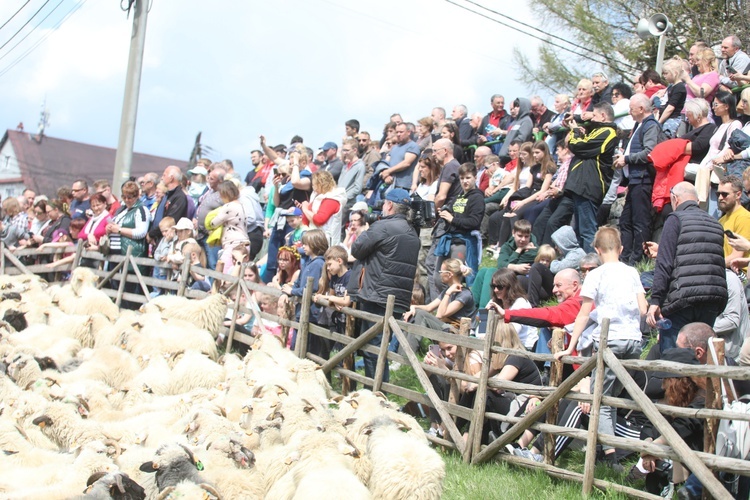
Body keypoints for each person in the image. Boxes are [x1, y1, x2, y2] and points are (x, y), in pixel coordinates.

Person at [556, 226, 647, 471]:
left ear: (596, 250)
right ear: (621, 248)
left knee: (600, 400)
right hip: (633, 341)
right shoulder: (631, 272)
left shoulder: (596, 275)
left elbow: (584, 313)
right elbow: (643, 309)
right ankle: (609, 450)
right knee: (613, 398)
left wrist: (571, 346)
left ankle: (609, 457)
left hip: (610, 341)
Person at [645, 182, 727, 350]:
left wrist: (656, 300)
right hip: (712, 298)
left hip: (682, 299)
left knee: (674, 358)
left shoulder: (675, 219)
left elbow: (664, 262)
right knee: (702, 355)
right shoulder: (716, 224)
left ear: (675, 199)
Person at [351, 188, 420, 385]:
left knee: (372, 348)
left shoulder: (382, 227)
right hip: (399, 297)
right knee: (381, 345)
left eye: (384, 203)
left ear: (389, 205)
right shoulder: (412, 231)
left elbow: (357, 250)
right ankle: (379, 392)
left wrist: (364, 232)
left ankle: (376, 393)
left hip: (376, 295)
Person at [562, 102, 618, 252]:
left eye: (594, 115)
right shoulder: (596, 130)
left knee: (588, 230)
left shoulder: (608, 132)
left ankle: (592, 265)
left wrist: (574, 131)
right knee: (580, 231)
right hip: (580, 186)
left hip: (589, 186)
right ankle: (583, 265)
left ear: (603, 116)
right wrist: (575, 120)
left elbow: (580, 147)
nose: (591, 119)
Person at [614, 93, 662, 265]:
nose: (629, 112)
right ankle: (625, 257)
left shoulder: (650, 126)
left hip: (643, 180)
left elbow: (650, 152)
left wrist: (626, 159)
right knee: (626, 221)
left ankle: (638, 260)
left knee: (640, 222)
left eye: (631, 108)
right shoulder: (640, 125)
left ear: (641, 108)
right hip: (635, 181)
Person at [404, 258, 476, 336]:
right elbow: (429, 307)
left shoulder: (464, 294)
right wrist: (413, 307)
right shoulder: (447, 290)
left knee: (421, 315)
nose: (440, 274)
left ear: (449, 274)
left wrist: (448, 294)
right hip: (447, 327)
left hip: (457, 331)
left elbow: (440, 314)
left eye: (441, 272)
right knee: (413, 315)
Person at [299, 170, 347, 246]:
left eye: (314, 184)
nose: (312, 187)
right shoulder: (316, 196)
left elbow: (319, 220)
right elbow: (306, 220)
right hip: (313, 237)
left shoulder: (332, 199)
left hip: (325, 242)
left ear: (321, 184)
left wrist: (305, 209)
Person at [717, 175, 750, 268]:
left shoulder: (744, 218)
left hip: (738, 274)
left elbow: (736, 256)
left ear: (738, 195)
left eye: (724, 194)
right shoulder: (721, 220)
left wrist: (712, 267)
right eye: (718, 194)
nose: (720, 198)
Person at [380, 122, 420, 190]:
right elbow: (385, 163)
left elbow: (406, 163)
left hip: (404, 186)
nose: (398, 134)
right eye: (397, 132)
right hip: (390, 184)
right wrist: (386, 175)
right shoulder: (394, 148)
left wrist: (388, 171)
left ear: (408, 132)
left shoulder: (413, 146)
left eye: (401, 132)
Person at [337, 138, 365, 213]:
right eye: (344, 150)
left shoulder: (360, 166)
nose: (345, 153)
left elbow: (357, 188)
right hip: (340, 201)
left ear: (355, 150)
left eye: (347, 150)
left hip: (348, 203)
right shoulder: (345, 166)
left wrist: (344, 197)